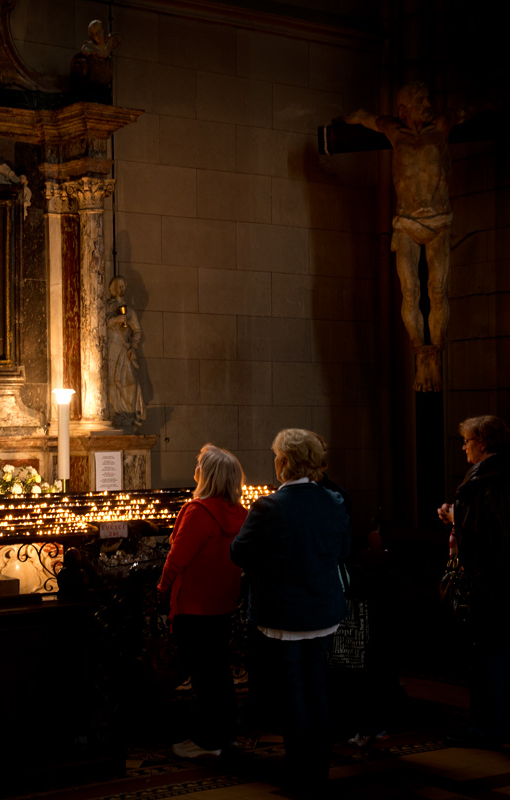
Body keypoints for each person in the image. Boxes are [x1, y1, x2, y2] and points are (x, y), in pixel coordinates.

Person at [231, 429, 350, 794]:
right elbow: (340, 549)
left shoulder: (269, 507)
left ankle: (300, 773)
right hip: (323, 609)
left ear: (283, 462)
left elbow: (239, 552)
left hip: (283, 614)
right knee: (317, 687)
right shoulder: (333, 500)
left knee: (293, 692)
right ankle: (319, 769)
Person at [344, 83, 474, 392]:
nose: (427, 103)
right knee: (410, 292)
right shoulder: (393, 131)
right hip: (405, 223)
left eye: (428, 97)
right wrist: (343, 119)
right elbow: (363, 117)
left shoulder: (441, 125)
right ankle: (420, 356)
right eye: (420, 100)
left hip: (439, 221)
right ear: (404, 110)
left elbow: (471, 111)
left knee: (438, 289)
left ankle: (436, 358)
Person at [157, 444, 249, 758]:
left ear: (206, 475)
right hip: (222, 604)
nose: (194, 470)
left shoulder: (198, 512)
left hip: (195, 607)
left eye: (199, 466)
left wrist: (161, 588)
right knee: (219, 673)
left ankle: (207, 740)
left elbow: (177, 558)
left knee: (204, 676)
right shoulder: (240, 512)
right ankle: (226, 737)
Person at [437, 415, 510, 749]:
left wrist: (455, 517)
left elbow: (484, 534)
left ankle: (487, 729)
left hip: (485, 586)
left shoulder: (485, 480)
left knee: (485, 661)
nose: (464, 446)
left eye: (467, 441)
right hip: (497, 584)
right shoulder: (501, 475)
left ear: (482, 442)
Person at [106, 275, 146, 428]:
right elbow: (102, 323)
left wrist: (134, 347)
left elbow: (137, 331)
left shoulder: (130, 311)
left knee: (130, 382)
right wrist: (117, 320)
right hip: (112, 348)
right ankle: (116, 413)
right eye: (119, 286)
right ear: (113, 288)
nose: (121, 289)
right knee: (112, 382)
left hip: (125, 349)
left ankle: (130, 413)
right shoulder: (108, 307)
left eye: (123, 286)